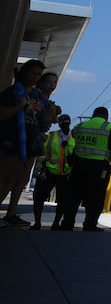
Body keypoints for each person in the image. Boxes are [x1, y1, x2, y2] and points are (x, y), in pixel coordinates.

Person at [2, 70, 58, 225]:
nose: (52, 85)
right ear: (40, 84)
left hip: (32, 142)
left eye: (54, 82)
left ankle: (11, 212)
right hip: (25, 141)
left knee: (22, 178)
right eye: (49, 82)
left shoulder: (46, 102)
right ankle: (10, 212)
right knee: (12, 177)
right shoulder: (35, 98)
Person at [54, 106, 111, 231]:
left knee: (73, 195)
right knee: (96, 196)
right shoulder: (110, 127)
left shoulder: (79, 127)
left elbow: (71, 139)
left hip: (79, 165)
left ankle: (67, 223)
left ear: (93, 115)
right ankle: (90, 224)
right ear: (105, 116)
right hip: (99, 167)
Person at [0, 59, 44, 228]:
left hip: (26, 146)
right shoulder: (12, 93)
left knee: (15, 180)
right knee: (4, 179)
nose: (35, 77)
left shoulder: (35, 96)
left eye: (38, 74)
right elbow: (2, 115)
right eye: (32, 73)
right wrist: (19, 106)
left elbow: (37, 118)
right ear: (24, 72)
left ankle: (11, 214)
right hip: (10, 141)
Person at [30, 114, 74, 230]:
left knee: (63, 200)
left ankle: (56, 223)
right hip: (50, 171)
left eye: (66, 122)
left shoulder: (74, 138)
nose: (64, 124)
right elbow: (43, 149)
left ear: (69, 123)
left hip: (65, 174)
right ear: (59, 124)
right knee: (39, 197)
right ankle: (37, 222)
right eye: (62, 123)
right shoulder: (52, 136)